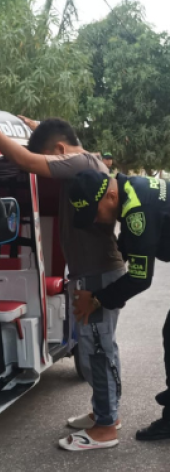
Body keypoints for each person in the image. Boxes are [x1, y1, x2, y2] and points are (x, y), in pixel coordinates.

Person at [0, 105, 125, 451]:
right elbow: (55, 138)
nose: (51, 169)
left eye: (51, 160)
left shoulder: (80, 164)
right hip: (92, 271)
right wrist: (33, 126)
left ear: (61, 151)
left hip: (98, 272)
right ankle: (103, 414)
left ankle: (107, 427)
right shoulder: (88, 158)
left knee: (99, 347)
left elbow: (26, 162)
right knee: (97, 344)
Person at [68, 170, 170, 442]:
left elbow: (140, 278)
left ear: (110, 196)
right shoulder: (131, 190)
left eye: (95, 212)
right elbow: (130, 244)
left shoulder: (137, 211)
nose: (96, 221)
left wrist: (99, 298)